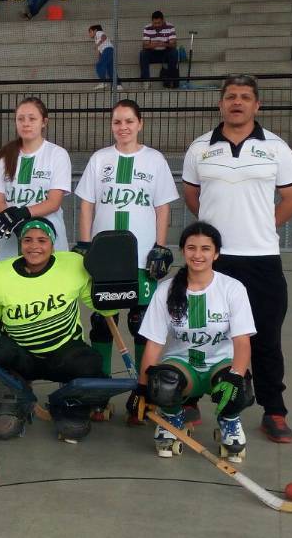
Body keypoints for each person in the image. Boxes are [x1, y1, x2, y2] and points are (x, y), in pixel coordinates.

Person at [182, 74, 292, 443]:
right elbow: (193, 197)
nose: (237, 102)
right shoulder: (200, 148)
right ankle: (190, 401)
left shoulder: (277, 148)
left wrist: (263, 228)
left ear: (257, 105)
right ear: (221, 104)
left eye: (245, 97)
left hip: (262, 259)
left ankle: (274, 411)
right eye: (231, 96)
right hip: (214, 262)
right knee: (203, 333)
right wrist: (213, 241)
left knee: (266, 338)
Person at [0, 218, 106, 441]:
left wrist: (110, 280)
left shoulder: (73, 264)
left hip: (63, 352)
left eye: (42, 240)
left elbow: (100, 305)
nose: (35, 246)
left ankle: (70, 406)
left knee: (90, 361)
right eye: (28, 240)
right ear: (20, 243)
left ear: (52, 244)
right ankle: (14, 400)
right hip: (21, 356)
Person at [126, 222, 256, 459]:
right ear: (183, 251)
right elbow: (153, 344)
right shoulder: (165, 290)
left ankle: (229, 421)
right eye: (191, 248)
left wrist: (236, 377)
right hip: (183, 364)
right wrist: (143, 387)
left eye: (205, 249)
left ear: (216, 253)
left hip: (220, 363)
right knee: (163, 382)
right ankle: (172, 418)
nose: (198, 255)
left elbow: (242, 342)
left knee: (241, 387)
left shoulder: (232, 288)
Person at [75, 99, 178, 394]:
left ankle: (143, 388)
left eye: (129, 121)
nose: (123, 127)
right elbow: (86, 205)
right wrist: (84, 243)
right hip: (105, 257)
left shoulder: (154, 160)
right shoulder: (100, 159)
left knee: (140, 320)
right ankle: (101, 386)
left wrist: (160, 246)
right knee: (101, 319)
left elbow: (162, 208)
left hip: (141, 255)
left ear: (140, 123)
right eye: (117, 122)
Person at [0, 97, 71, 261]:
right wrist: (13, 221)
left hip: (49, 242)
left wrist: (23, 214)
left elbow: (54, 202)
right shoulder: (3, 157)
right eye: (20, 119)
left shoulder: (57, 154)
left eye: (32, 119)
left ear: (44, 122)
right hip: (11, 245)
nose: (26, 123)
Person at [139, 10, 178, 89]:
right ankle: (146, 81)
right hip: (153, 53)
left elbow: (173, 44)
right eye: (154, 23)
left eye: (159, 23)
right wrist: (154, 45)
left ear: (163, 20)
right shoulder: (147, 28)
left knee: (174, 53)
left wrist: (163, 44)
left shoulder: (170, 27)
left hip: (166, 52)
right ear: (152, 21)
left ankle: (170, 80)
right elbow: (145, 46)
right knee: (143, 53)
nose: (156, 25)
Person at [89, 23, 122, 90]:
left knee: (99, 65)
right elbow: (99, 53)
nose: (89, 34)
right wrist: (100, 59)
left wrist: (98, 44)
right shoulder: (96, 39)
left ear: (95, 30)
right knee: (110, 69)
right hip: (109, 51)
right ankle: (118, 85)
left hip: (108, 50)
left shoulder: (98, 32)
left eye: (90, 31)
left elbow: (104, 37)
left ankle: (103, 82)